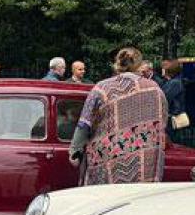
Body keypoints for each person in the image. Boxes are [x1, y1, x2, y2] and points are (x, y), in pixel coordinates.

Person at [70, 47, 168, 185]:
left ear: (117, 63)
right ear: (139, 64)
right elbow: (163, 120)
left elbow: (84, 123)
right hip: (144, 168)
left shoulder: (101, 88)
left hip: (105, 163)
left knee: (105, 197)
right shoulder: (154, 89)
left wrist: (75, 150)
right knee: (139, 197)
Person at [161, 59, 188, 133]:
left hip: (173, 118)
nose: (162, 69)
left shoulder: (174, 83)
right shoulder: (173, 81)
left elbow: (164, 98)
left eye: (163, 68)